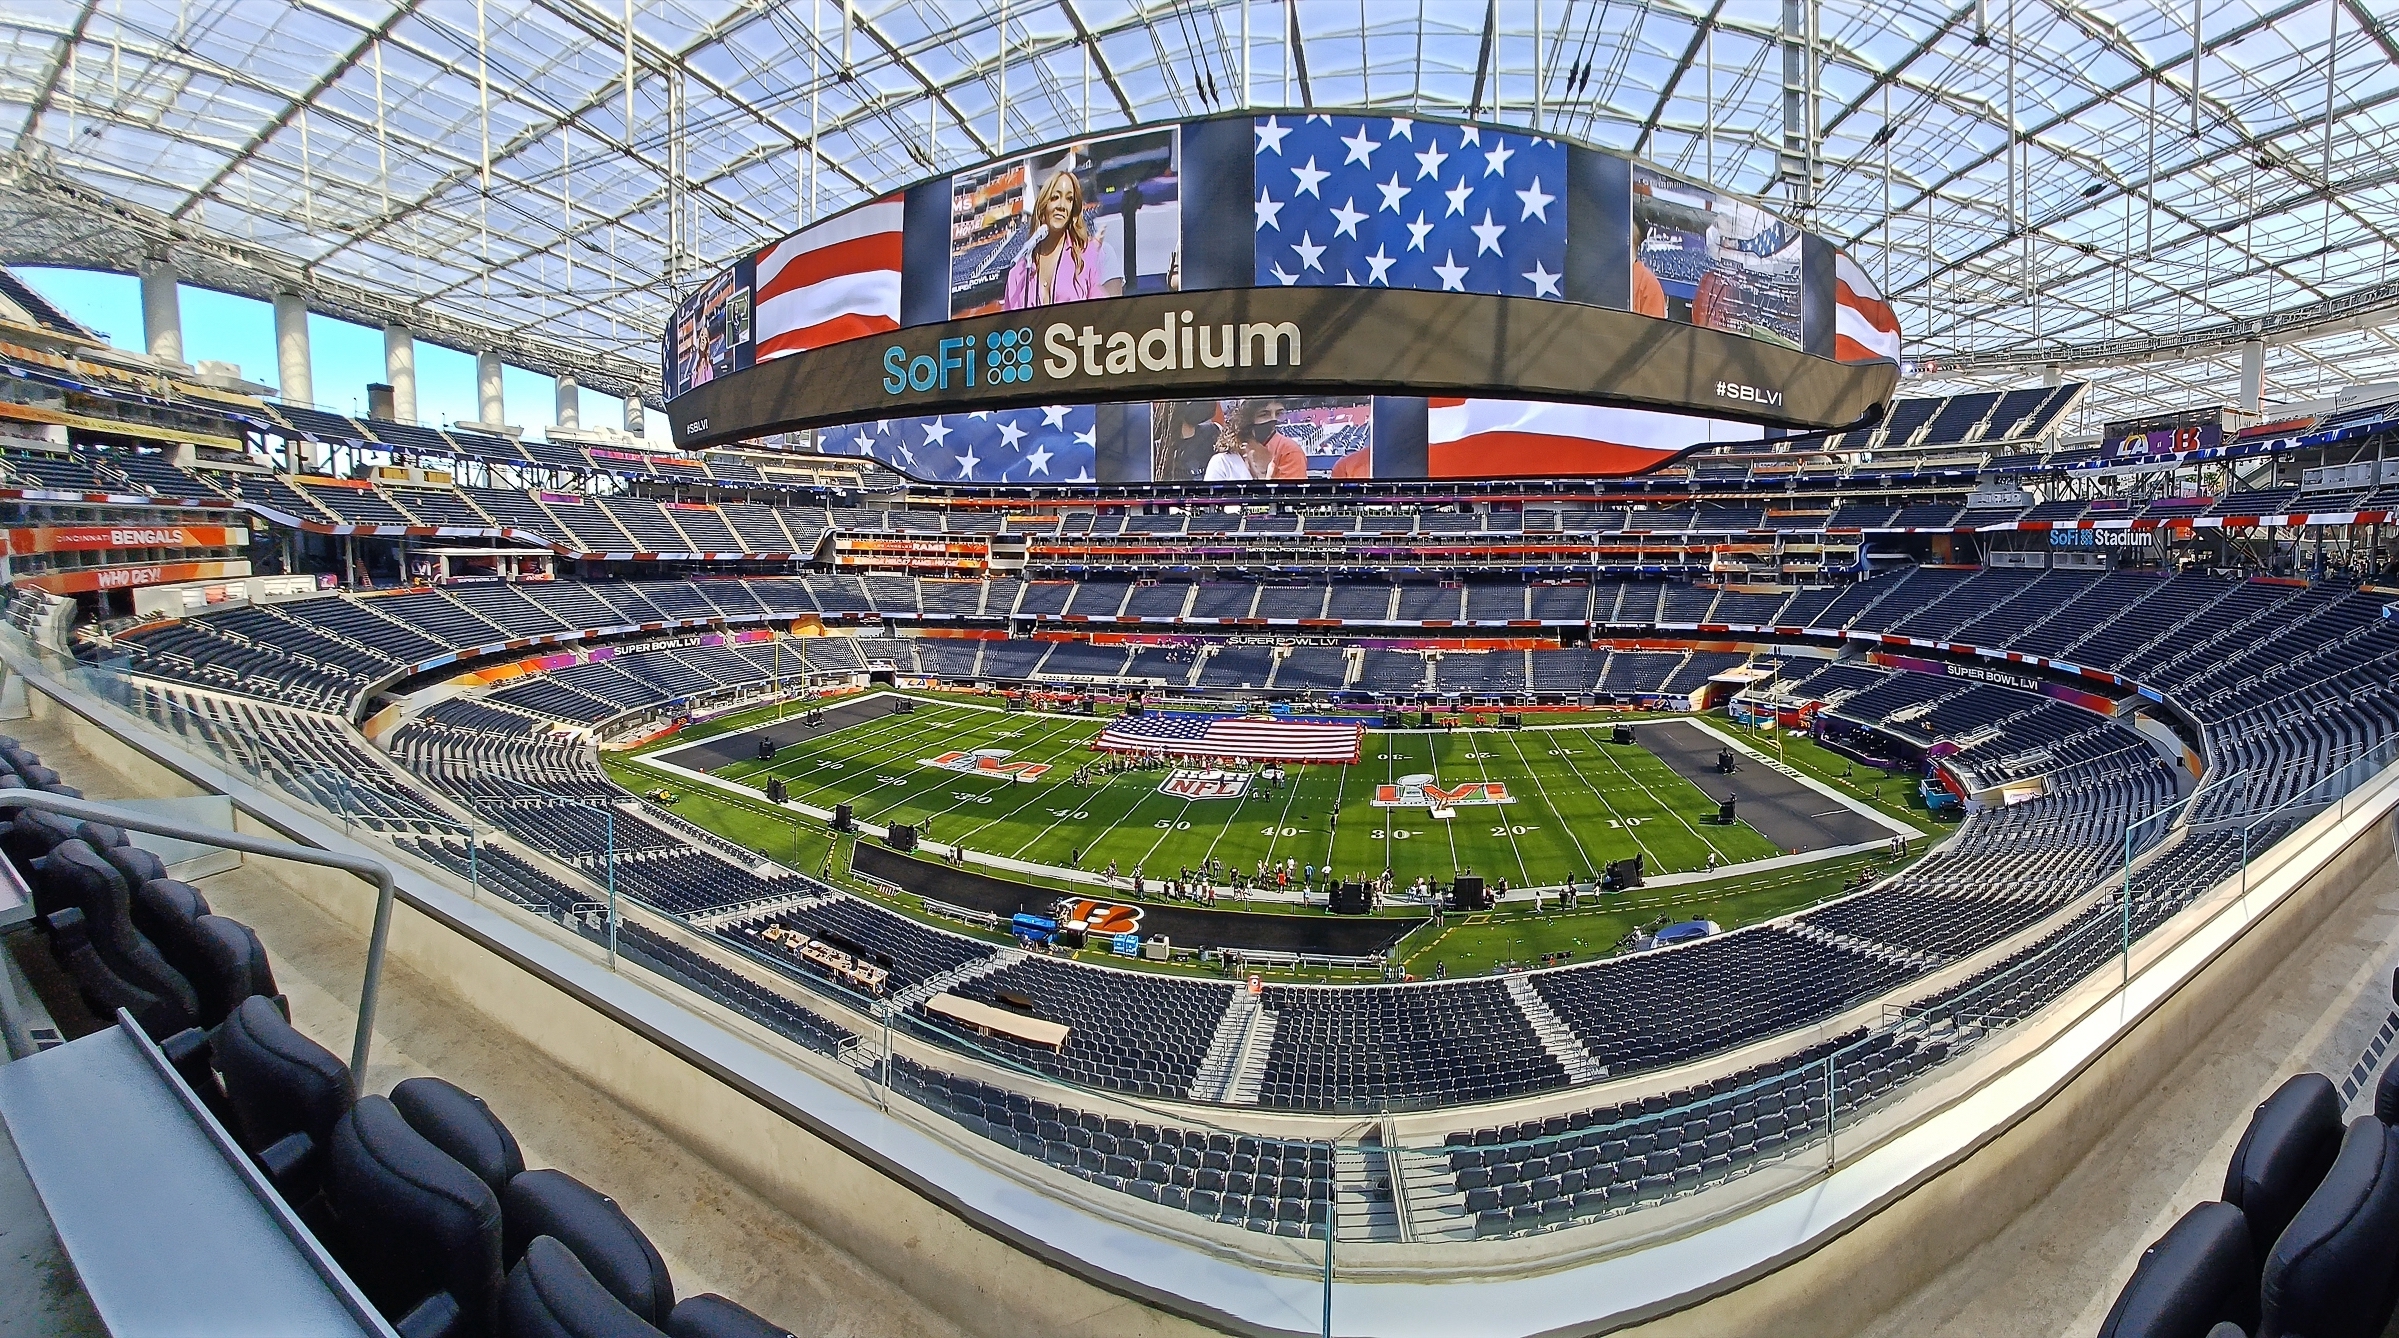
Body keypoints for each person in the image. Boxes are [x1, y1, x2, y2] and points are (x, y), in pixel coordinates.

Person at [1003, 169, 1121, 310]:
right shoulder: (1017, 272)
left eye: (1069, 199)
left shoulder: (1090, 254)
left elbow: (1107, 313)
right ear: (1042, 206)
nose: (1061, 206)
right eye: (1055, 197)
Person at [1228, 398, 1310, 481]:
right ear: (1247, 419)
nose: (1273, 420)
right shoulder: (1230, 450)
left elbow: (1290, 488)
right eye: (1264, 414)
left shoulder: (1289, 450)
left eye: (1278, 414)